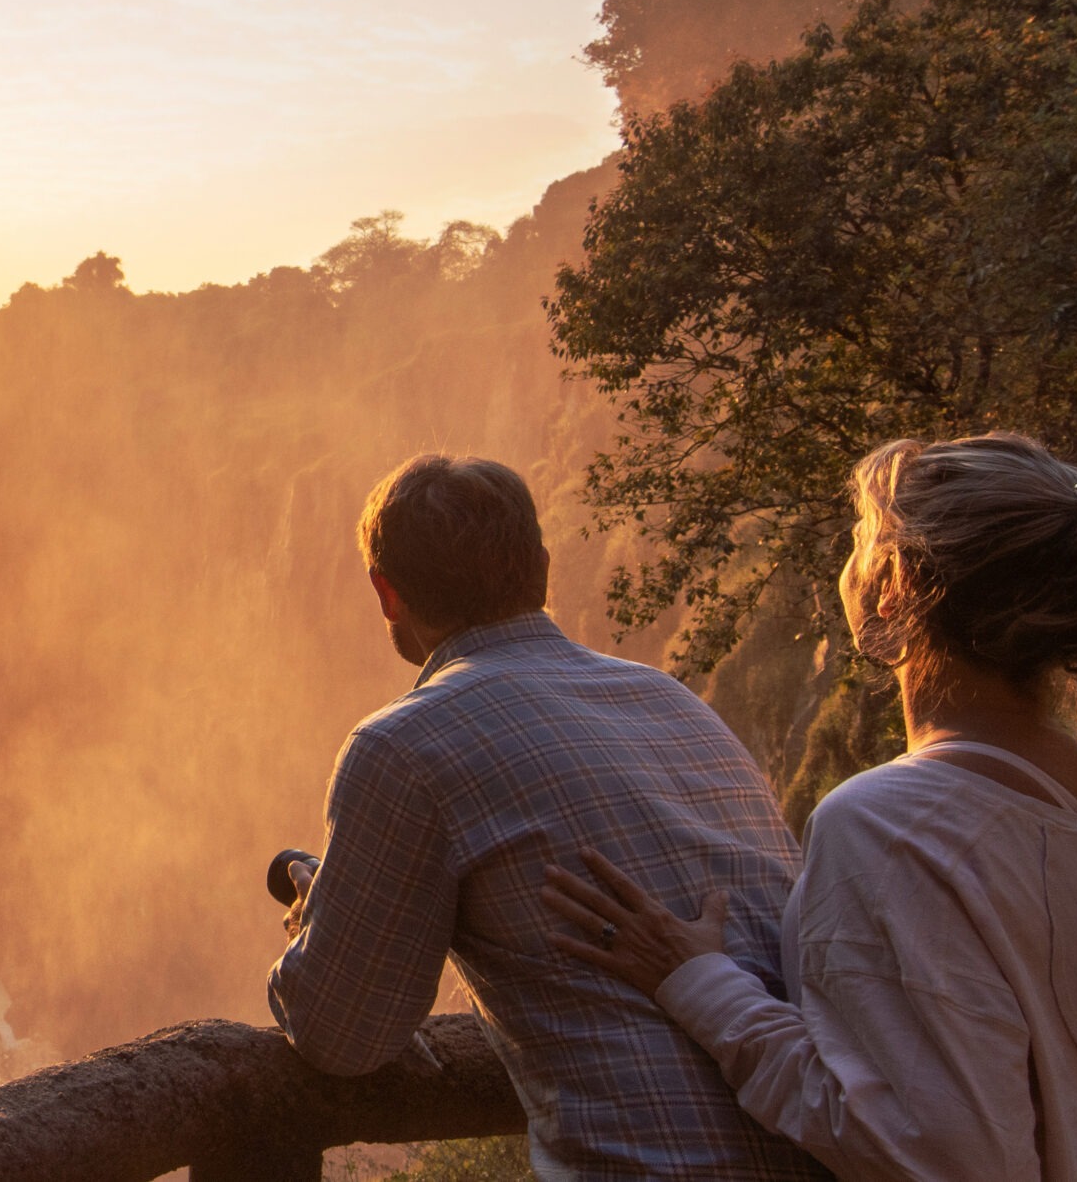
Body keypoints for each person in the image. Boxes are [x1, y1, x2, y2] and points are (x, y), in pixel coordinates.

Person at [542, 434, 1077, 1181]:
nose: (849, 562)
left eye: (863, 541)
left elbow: (927, 1152)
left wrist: (702, 985)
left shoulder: (890, 822)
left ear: (900, 581)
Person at [267, 454, 827, 1181]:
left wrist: (320, 920)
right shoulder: (673, 700)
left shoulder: (403, 744)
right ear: (542, 566)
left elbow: (342, 1034)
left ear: (386, 591)